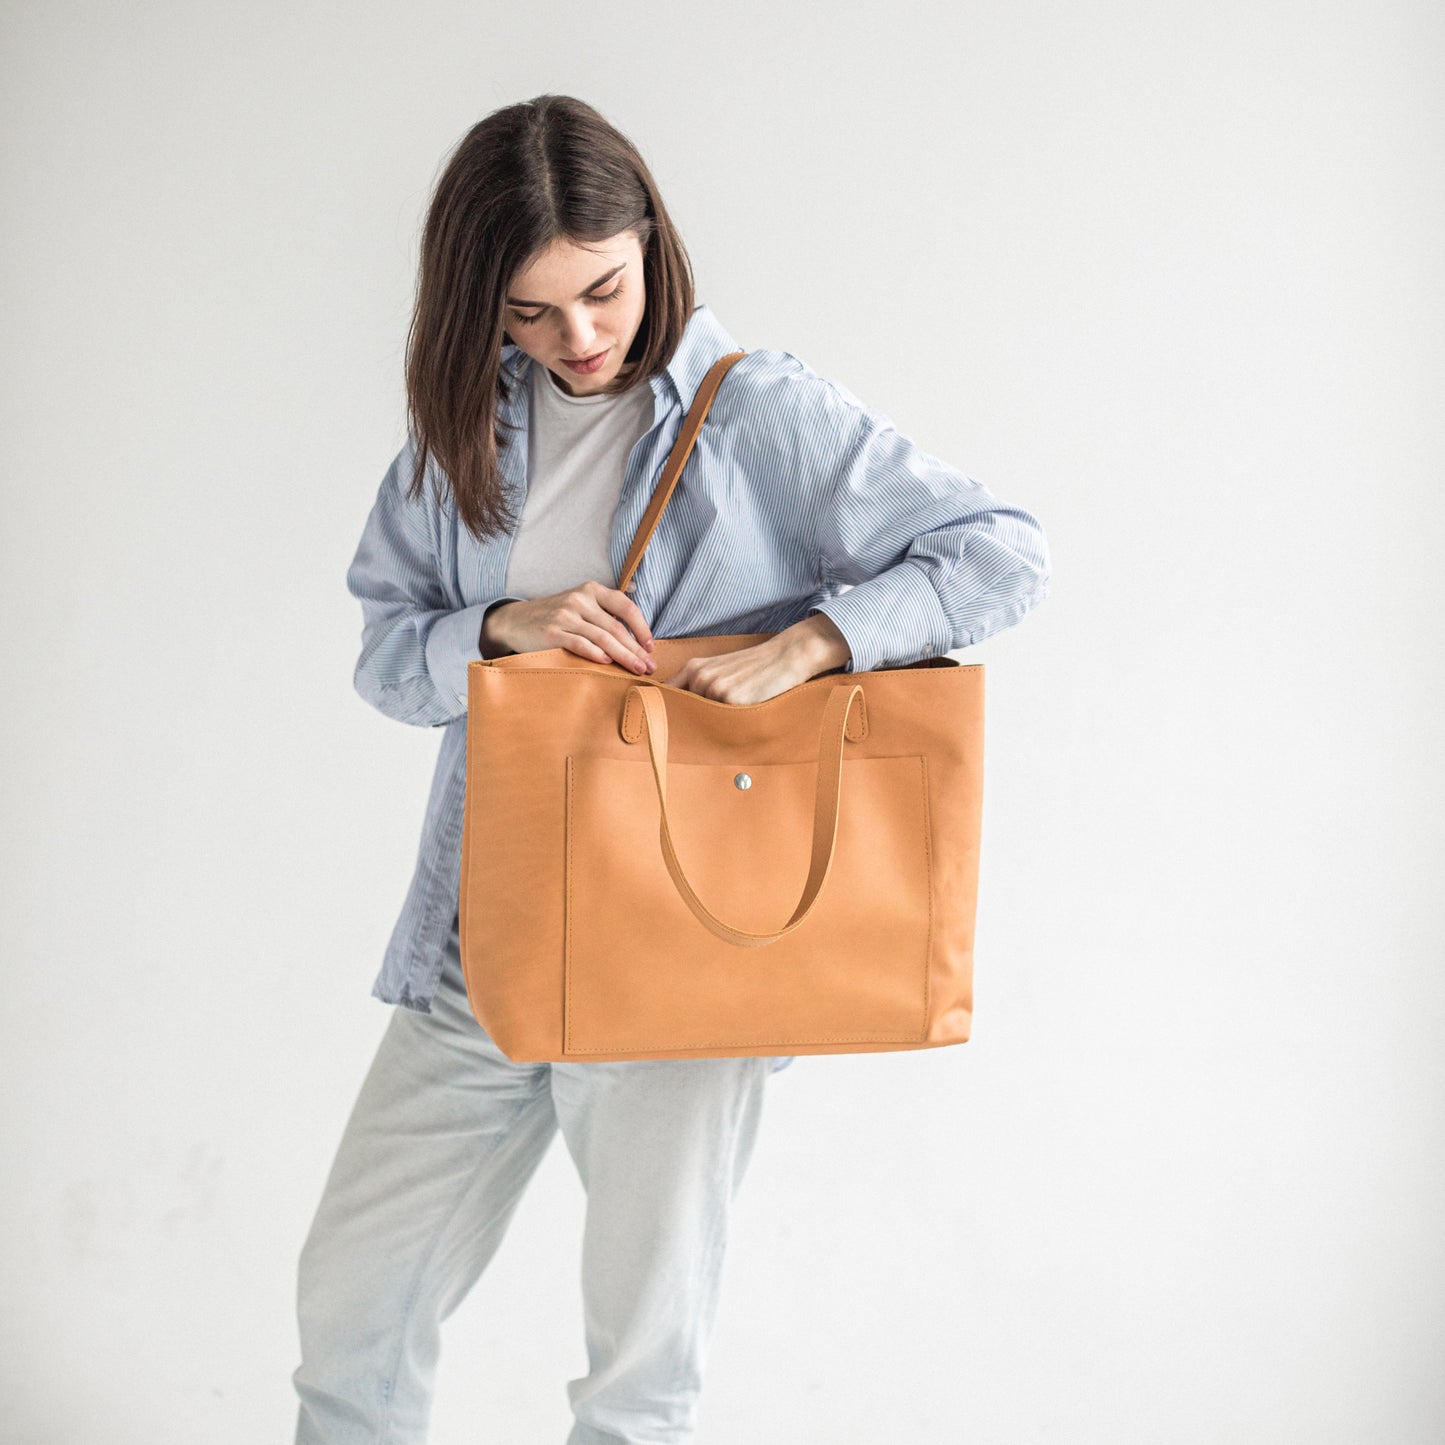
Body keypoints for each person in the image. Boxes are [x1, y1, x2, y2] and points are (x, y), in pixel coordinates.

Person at [293, 94, 1051, 1445]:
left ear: (651, 239)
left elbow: (998, 549)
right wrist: (499, 628)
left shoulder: (758, 412)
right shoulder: (466, 431)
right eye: (528, 313)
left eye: (601, 290)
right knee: (353, 1301)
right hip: (488, 942)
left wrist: (818, 640)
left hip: (685, 952)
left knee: (636, 1368)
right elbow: (384, 650)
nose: (577, 341)